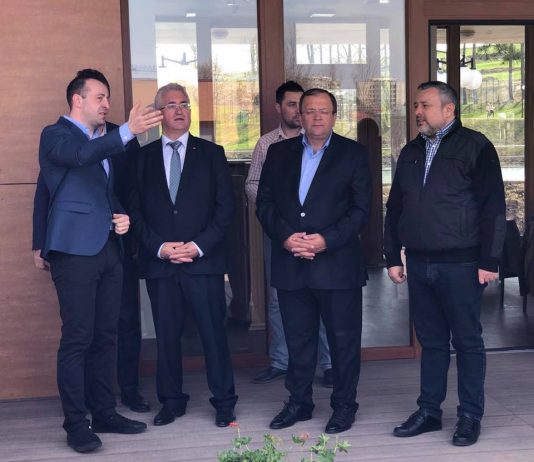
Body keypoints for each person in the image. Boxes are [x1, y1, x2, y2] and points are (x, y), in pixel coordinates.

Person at [37, 69, 163, 453]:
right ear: (78, 100)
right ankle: (77, 424)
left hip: (109, 249)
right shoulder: (56, 135)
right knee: (78, 337)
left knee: (107, 335)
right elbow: (77, 159)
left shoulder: (103, 141)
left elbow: (103, 193)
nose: (107, 104)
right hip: (73, 251)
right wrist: (126, 132)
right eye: (100, 97)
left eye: (107, 97)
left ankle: (105, 411)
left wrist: (121, 214)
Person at [384, 81, 506, 447]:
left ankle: (469, 416)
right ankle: (429, 412)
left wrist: (490, 259)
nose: (417, 112)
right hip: (419, 263)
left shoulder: (476, 146)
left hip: (462, 264)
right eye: (416, 106)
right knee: (432, 342)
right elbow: (395, 207)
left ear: (449, 109)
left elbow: (494, 208)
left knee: (467, 341)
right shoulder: (411, 151)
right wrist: (392, 255)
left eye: (424, 105)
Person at [256, 88, 371, 434]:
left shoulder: (353, 154)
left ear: (334, 116)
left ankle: (344, 406)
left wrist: (325, 240)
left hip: (337, 265)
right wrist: (286, 237)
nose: (317, 116)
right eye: (310, 111)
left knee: (343, 342)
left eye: (324, 111)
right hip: (291, 261)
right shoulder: (278, 153)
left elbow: (361, 210)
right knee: (298, 340)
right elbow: (265, 203)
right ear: (300, 116)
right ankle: (299, 403)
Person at [130, 83, 238, 428]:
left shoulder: (211, 153)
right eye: (171, 105)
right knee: (167, 337)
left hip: (203, 262)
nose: (179, 110)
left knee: (213, 335)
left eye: (185, 104)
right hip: (161, 264)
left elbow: (225, 209)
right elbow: (135, 212)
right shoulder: (142, 157)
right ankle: (171, 401)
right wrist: (160, 247)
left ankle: (224, 402)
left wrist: (198, 246)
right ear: (159, 113)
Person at [245, 81, 333, 387]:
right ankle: (281, 361)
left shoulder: (327, 144)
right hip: (281, 234)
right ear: (278, 108)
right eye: (292, 105)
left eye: (302, 105)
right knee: (277, 298)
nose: (298, 111)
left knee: (322, 294)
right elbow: (253, 184)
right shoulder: (267, 144)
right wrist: (280, 222)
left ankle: (329, 363)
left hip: (320, 237)